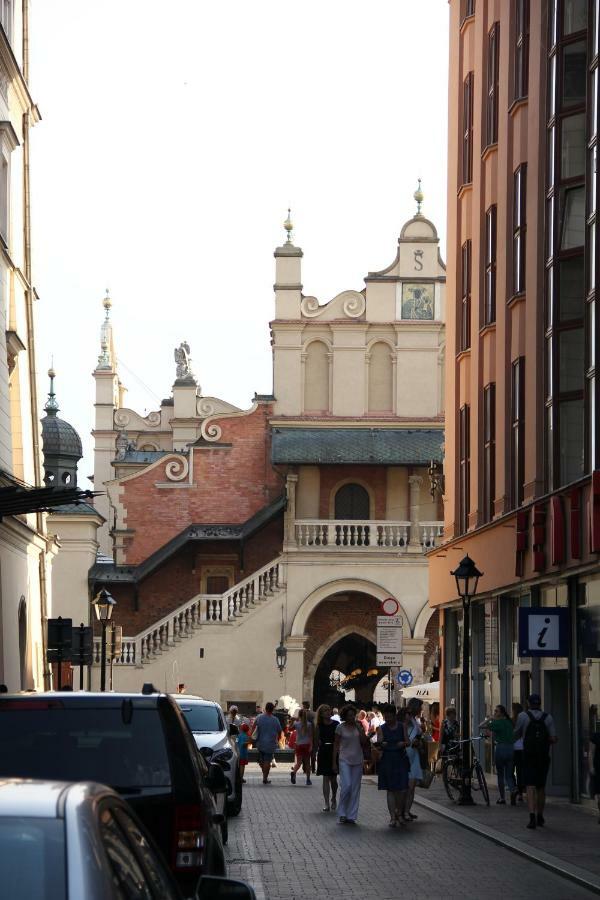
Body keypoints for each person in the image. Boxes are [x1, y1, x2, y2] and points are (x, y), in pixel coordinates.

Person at [513, 693, 558, 829]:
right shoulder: (548, 717)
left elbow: (516, 733)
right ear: (540, 703)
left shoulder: (522, 716)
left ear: (528, 703)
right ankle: (540, 816)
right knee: (541, 787)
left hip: (528, 755)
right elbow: (554, 738)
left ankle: (531, 816)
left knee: (530, 786)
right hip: (543, 757)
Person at [332, 705, 370, 825]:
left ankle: (351, 815)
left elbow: (364, 741)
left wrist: (359, 729)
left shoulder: (358, 727)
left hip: (358, 760)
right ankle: (342, 813)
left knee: (355, 788)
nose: (351, 717)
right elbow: (336, 745)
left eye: (353, 715)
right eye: (349, 715)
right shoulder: (340, 727)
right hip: (344, 759)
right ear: (345, 716)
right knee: (347, 785)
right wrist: (334, 762)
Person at [375, 704, 410, 827]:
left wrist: (403, 743)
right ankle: (392, 817)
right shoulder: (381, 728)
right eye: (386, 717)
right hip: (388, 760)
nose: (388, 719)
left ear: (394, 716)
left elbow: (408, 742)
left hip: (400, 758)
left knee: (401, 789)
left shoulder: (402, 726)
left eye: (390, 716)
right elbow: (379, 743)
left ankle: (399, 813)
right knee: (390, 789)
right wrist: (382, 744)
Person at [480, 705, 516, 804]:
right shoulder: (509, 722)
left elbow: (480, 726)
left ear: (501, 713)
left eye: (496, 711)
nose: (494, 713)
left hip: (500, 748)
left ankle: (502, 798)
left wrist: (490, 719)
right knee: (509, 774)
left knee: (500, 775)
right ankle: (513, 790)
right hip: (510, 748)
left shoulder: (497, 723)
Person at [314, 704, 338, 811]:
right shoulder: (319, 725)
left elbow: (338, 740)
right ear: (321, 714)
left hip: (334, 751)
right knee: (325, 778)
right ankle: (326, 802)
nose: (328, 712)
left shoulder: (336, 724)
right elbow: (316, 740)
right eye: (325, 711)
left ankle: (334, 797)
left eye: (329, 710)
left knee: (333, 779)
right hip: (324, 751)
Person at [252, 701, 282, 785]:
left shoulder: (259, 717)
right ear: (272, 710)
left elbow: (253, 727)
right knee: (267, 761)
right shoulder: (275, 720)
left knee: (263, 760)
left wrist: (251, 738)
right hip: (270, 744)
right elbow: (280, 731)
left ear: (265, 708)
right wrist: (278, 739)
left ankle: (264, 774)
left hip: (260, 743)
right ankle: (265, 778)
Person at [404, 699, 424, 820]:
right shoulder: (407, 719)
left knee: (411, 786)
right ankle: (403, 811)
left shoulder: (415, 720)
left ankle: (407, 810)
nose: (421, 709)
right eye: (420, 707)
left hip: (414, 754)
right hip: (407, 753)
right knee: (407, 786)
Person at [291, 708, 314, 786]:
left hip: (298, 745)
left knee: (299, 762)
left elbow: (290, 729)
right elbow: (311, 736)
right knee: (307, 763)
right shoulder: (309, 724)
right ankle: (308, 779)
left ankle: (294, 773)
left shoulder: (296, 724)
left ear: (299, 715)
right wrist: (311, 745)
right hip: (306, 744)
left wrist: (293, 721)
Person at [512, 702, 525, 803]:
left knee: (511, 771)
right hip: (522, 748)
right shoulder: (524, 720)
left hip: (513, 748)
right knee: (520, 771)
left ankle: (514, 789)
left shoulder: (512, 721)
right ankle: (520, 792)